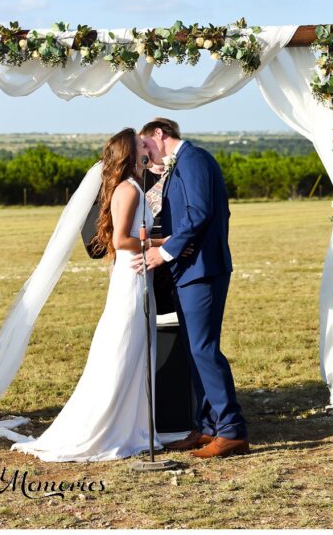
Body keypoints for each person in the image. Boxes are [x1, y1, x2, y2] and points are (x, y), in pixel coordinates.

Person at [12, 129, 168, 461]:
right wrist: (164, 243)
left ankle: (133, 424)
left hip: (139, 274)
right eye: (141, 144)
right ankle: (110, 427)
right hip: (132, 276)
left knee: (137, 351)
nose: (147, 146)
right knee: (125, 347)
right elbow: (121, 240)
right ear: (130, 154)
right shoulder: (128, 190)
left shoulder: (135, 186)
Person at [137, 118, 249, 458]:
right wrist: (171, 243)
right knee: (193, 349)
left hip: (203, 269)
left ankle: (231, 429)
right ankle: (205, 426)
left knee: (204, 349)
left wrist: (166, 251)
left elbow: (201, 212)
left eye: (146, 143)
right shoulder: (179, 165)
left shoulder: (195, 159)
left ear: (160, 133)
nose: (145, 151)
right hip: (188, 269)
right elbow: (187, 218)